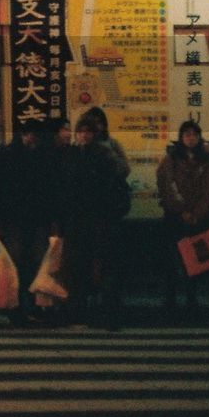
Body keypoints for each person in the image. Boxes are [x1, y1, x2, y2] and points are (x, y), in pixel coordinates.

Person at [63, 116, 130, 329]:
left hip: (99, 220)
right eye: (80, 131)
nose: (84, 135)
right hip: (78, 220)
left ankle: (107, 313)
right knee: (78, 268)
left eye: (88, 131)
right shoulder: (70, 154)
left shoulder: (104, 156)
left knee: (104, 267)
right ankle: (79, 312)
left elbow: (113, 185)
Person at [0, 119, 55, 322]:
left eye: (33, 134)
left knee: (34, 261)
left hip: (32, 218)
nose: (30, 138)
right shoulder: (10, 156)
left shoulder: (41, 157)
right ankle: (18, 305)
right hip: (15, 219)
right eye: (26, 133)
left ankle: (31, 304)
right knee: (18, 262)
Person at [156, 120, 209, 317]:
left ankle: (192, 299)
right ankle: (171, 300)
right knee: (171, 260)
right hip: (174, 217)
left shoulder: (206, 159)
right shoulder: (170, 159)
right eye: (187, 135)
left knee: (196, 260)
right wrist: (181, 211)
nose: (191, 138)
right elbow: (167, 187)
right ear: (181, 138)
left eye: (194, 135)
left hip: (198, 218)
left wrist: (197, 213)